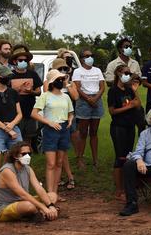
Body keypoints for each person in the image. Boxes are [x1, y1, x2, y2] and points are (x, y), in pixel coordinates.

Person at [31, 69, 74, 196]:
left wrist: (70, 120)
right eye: (58, 80)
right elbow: (34, 113)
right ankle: (49, 193)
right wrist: (48, 122)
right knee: (51, 163)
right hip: (50, 130)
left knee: (59, 162)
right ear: (52, 82)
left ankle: (54, 193)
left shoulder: (66, 96)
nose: (61, 81)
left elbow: (70, 112)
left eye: (62, 79)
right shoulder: (45, 96)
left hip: (64, 129)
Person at [0, 142, 58, 222]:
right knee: (29, 206)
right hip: (3, 208)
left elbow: (38, 188)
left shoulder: (27, 168)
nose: (27, 156)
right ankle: (40, 212)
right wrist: (44, 207)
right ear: (15, 156)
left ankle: (40, 212)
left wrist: (50, 205)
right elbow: (23, 194)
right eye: (24, 154)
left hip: (21, 202)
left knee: (52, 195)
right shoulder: (7, 171)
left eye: (29, 153)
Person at [0, 65, 23, 212]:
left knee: (19, 164)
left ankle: (16, 196)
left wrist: (12, 126)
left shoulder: (13, 92)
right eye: (5, 76)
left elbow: (19, 113)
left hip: (14, 129)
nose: (8, 78)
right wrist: (6, 128)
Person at [107, 64, 141, 201]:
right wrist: (128, 107)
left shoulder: (128, 89)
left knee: (128, 156)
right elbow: (112, 111)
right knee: (119, 157)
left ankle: (128, 186)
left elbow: (137, 103)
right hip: (118, 127)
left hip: (130, 125)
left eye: (129, 72)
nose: (128, 74)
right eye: (126, 73)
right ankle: (119, 189)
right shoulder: (113, 91)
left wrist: (134, 90)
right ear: (118, 74)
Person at [72, 48, 105, 171]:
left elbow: (102, 86)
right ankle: (80, 158)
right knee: (83, 132)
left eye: (91, 55)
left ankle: (95, 159)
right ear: (82, 59)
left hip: (97, 100)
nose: (90, 58)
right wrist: (88, 99)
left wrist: (95, 98)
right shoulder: (77, 71)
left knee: (94, 132)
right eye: (87, 56)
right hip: (83, 102)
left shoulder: (97, 70)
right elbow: (77, 87)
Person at [49, 58, 79, 191]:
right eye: (59, 69)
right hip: (53, 121)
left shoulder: (69, 83)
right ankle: (61, 178)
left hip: (68, 119)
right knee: (55, 154)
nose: (62, 72)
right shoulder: (48, 82)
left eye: (65, 69)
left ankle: (68, 177)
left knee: (64, 151)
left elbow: (76, 97)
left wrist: (66, 83)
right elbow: (47, 95)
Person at [9, 44, 42, 148]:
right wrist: (16, 91)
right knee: (16, 138)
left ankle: (26, 159)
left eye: (25, 60)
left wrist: (31, 91)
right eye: (20, 60)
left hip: (30, 111)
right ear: (15, 61)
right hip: (15, 112)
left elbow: (39, 92)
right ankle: (15, 159)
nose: (23, 62)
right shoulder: (10, 75)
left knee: (28, 137)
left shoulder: (33, 74)